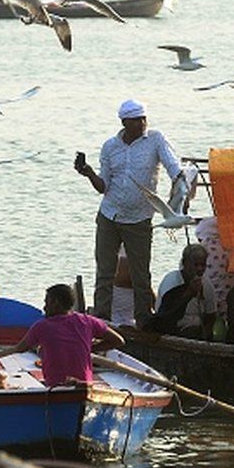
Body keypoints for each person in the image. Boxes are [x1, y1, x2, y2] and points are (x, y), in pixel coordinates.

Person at [76, 98, 182, 328]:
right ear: (125, 122)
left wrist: (180, 181)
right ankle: (101, 319)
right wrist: (88, 172)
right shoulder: (110, 147)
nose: (142, 123)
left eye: (144, 119)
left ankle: (143, 319)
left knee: (140, 274)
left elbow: (173, 165)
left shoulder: (155, 139)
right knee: (105, 271)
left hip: (139, 218)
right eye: (136, 120)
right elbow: (103, 186)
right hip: (110, 215)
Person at [0, 284, 125, 388]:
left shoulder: (42, 326)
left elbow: (21, 348)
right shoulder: (88, 321)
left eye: (47, 302)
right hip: (85, 385)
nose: (44, 307)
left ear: (55, 303)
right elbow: (118, 340)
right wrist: (90, 349)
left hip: (56, 386)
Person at [147, 243, 217, 340]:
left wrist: (205, 333)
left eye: (203, 265)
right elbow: (165, 316)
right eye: (196, 265)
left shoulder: (207, 285)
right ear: (184, 263)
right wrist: (188, 294)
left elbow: (211, 315)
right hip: (173, 330)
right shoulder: (171, 281)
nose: (200, 269)